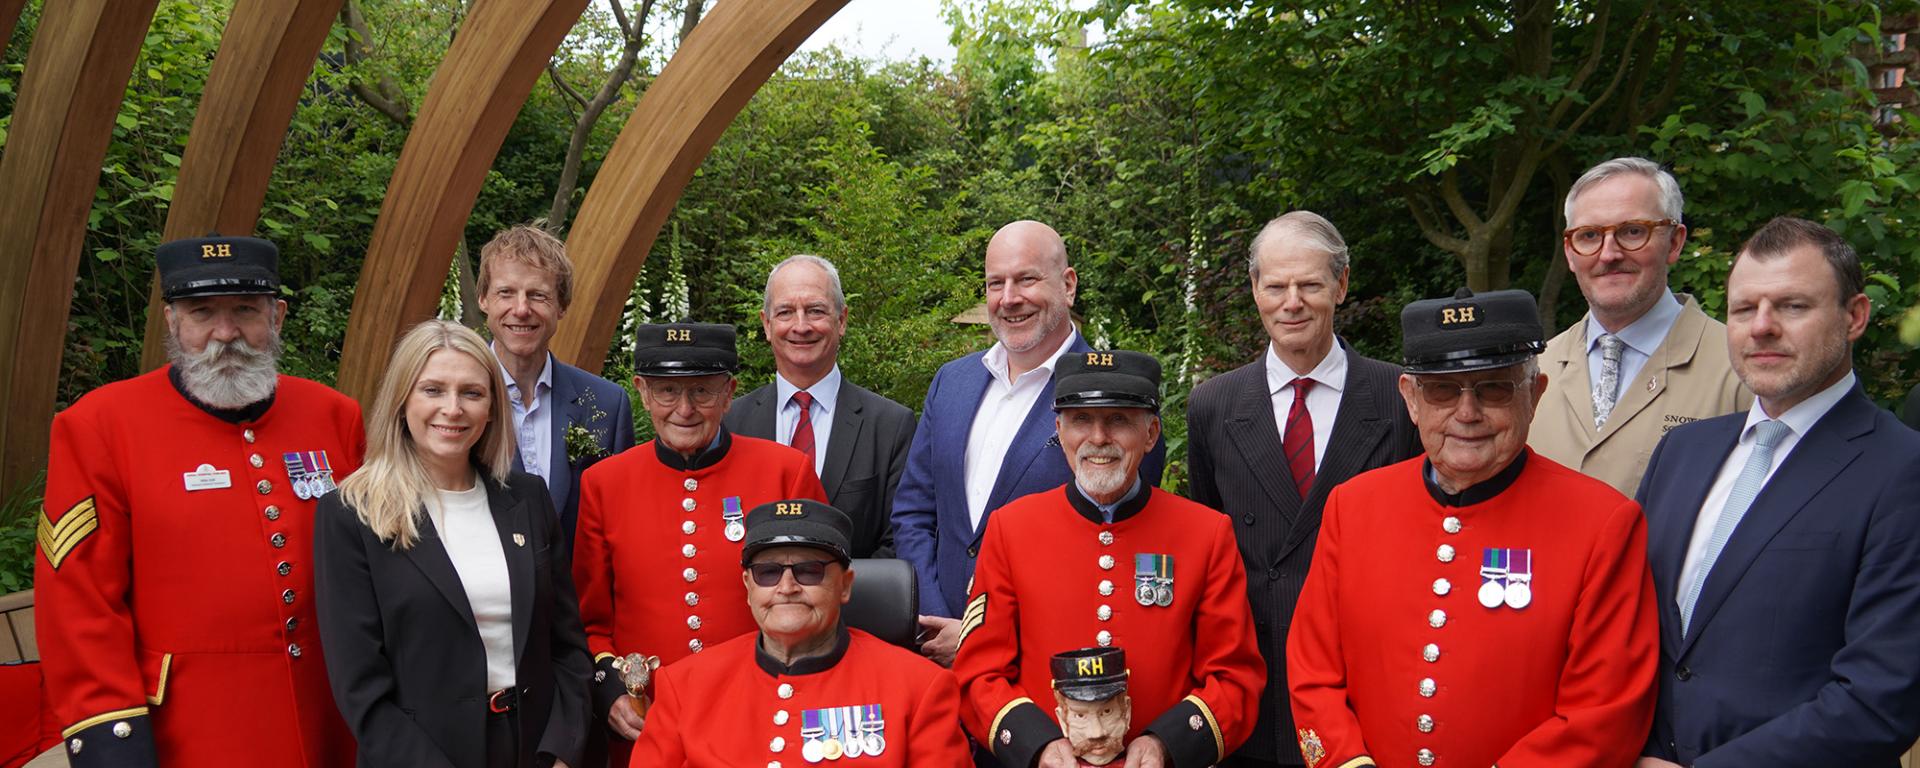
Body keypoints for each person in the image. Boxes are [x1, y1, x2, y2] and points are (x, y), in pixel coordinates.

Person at [1288, 288, 1657, 768]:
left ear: (1535, 394)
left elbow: (1605, 713)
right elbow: (1312, 669)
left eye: (1494, 388)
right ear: (1411, 399)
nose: (1467, 413)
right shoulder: (1352, 506)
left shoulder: (1603, 524)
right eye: (1443, 390)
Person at [34, 235, 363, 766]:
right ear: (171, 321)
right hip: (192, 730)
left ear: (276, 316)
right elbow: (79, 603)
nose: (225, 333)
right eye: (202, 312)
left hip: (335, 716)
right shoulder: (98, 426)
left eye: (245, 311)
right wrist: (110, 738)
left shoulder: (334, 416)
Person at [1635, 217, 1920, 767]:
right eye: (1744, 309)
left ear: (1855, 316)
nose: (1761, 327)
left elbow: (1881, 698)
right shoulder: (1682, 452)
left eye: (1792, 306)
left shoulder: (1902, 471)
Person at [1185, 211, 1421, 768]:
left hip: (1363, 681)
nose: (1292, 302)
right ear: (1255, 290)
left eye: (1310, 284)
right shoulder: (1213, 405)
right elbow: (1206, 544)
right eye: (1276, 286)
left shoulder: (1402, 397)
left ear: (1341, 286)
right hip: (1253, 684)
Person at [954, 350, 1264, 768]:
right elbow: (979, 673)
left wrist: (1166, 745)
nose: (1098, 438)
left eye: (1118, 420)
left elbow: (1235, 677)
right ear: (1059, 430)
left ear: (1151, 433)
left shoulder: (1206, 534)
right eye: (1081, 420)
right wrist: (1037, 745)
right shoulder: (1010, 529)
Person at [314, 320, 590, 768]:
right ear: (402, 400)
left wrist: (561, 751)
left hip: (533, 750)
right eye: (433, 390)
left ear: (492, 408)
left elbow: (567, 647)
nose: (453, 408)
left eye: (472, 393)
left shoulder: (527, 498)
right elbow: (359, 687)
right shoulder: (351, 514)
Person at [892, 220, 1165, 667]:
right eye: (995, 283)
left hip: (1047, 668)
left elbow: (1119, 545)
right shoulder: (952, 383)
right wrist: (937, 618)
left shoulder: (1119, 400)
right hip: (937, 656)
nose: (1009, 298)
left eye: (1026, 279)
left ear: (1068, 284)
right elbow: (913, 512)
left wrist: (980, 632)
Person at [572, 322, 826, 765]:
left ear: (729, 394)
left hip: (762, 713)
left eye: (702, 392)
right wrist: (609, 688)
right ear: (642, 392)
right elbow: (588, 620)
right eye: (667, 392)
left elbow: (820, 601)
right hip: (648, 722)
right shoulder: (604, 484)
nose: (684, 409)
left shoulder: (786, 472)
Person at [628, 498, 972, 767]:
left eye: (809, 571)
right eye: (768, 572)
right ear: (748, 586)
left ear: (845, 585)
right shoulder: (685, 685)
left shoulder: (920, 688)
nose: (787, 586)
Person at [1530, 157, 1749, 496]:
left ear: (1675, 242)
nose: (1609, 254)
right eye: (1589, 236)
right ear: (1570, 253)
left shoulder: (1741, 369)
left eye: (1633, 231)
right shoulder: (1533, 372)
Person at [723, 254, 917, 557]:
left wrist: (832, 593)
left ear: (841, 321)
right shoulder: (730, 423)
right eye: (786, 312)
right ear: (767, 324)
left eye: (815, 311)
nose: (801, 326)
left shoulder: (891, 427)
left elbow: (900, 542)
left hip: (856, 602)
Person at [475, 225, 635, 551]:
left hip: (578, 598)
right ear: (483, 300)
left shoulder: (607, 404)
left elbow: (621, 523)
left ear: (561, 306)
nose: (521, 309)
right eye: (506, 293)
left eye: (538, 295)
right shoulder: (454, 402)